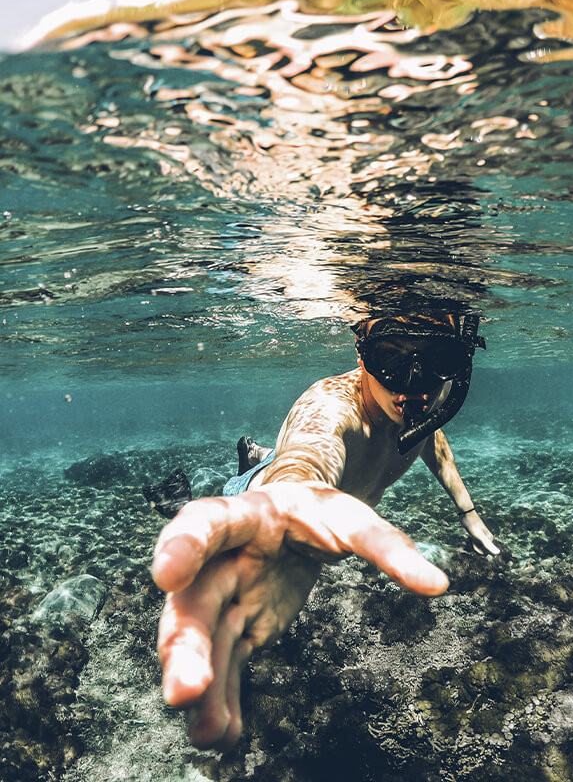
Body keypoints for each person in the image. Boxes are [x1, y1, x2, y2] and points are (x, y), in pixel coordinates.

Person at [150, 312, 499, 749]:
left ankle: (257, 455)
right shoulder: (331, 405)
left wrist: (468, 512)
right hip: (259, 498)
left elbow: (429, 436)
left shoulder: (417, 406)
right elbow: (309, 452)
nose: (412, 383)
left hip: (304, 493)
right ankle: (202, 485)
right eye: (389, 357)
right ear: (361, 352)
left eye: (439, 358)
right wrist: (289, 492)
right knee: (204, 503)